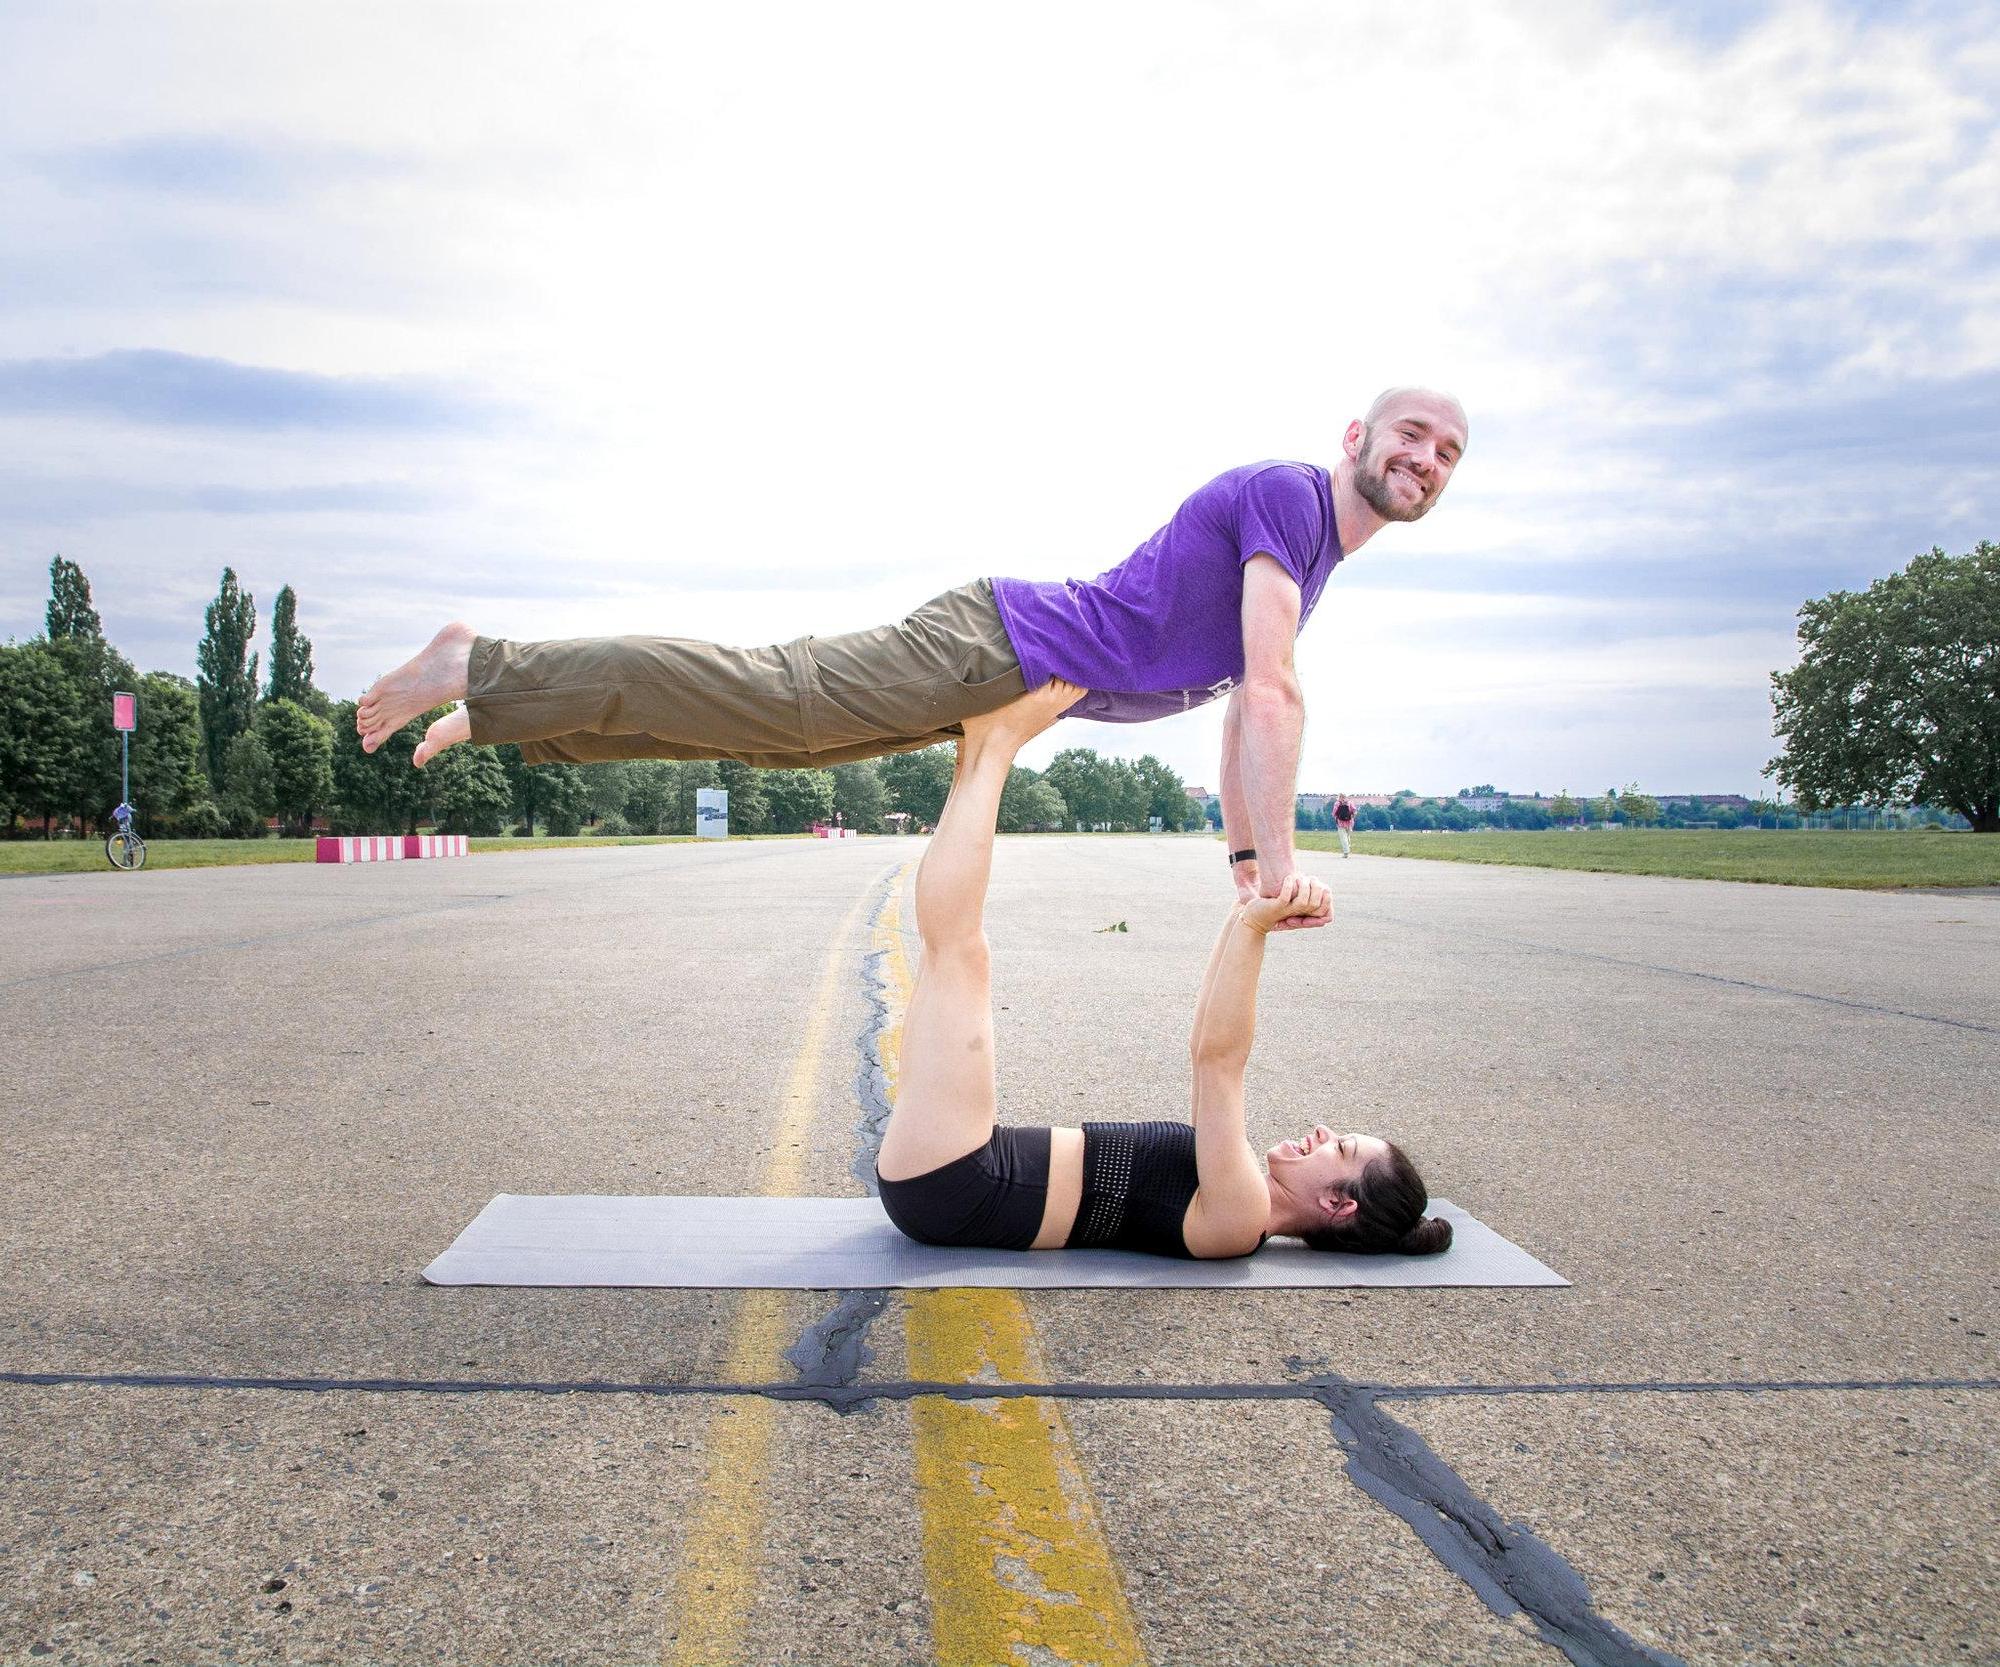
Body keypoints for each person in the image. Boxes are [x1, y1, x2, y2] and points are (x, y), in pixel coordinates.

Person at [357, 388, 1467, 910]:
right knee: (774, 696)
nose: (1424, 457)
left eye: (1446, 452)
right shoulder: (1289, 498)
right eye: (1409, 433)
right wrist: (1279, 872)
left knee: (774, 744)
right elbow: (1271, 692)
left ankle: (500, 701)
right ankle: (480, 660)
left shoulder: (1311, 557)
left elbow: (1235, 714)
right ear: (1355, 437)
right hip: (993, 643)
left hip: (995, 674)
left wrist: (1238, 862)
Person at [875, 679, 1451, 1260]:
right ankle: (981, 748)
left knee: (959, 953)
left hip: (959, 1182)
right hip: (961, 1173)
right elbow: (1204, 1043)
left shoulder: (1239, 1218)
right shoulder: (1235, 1185)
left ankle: (996, 744)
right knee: (953, 951)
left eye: (1342, 1149)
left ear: (1338, 1205)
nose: (1324, 1134)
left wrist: (1254, 931)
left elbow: (1221, 1062)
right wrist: (1246, 905)